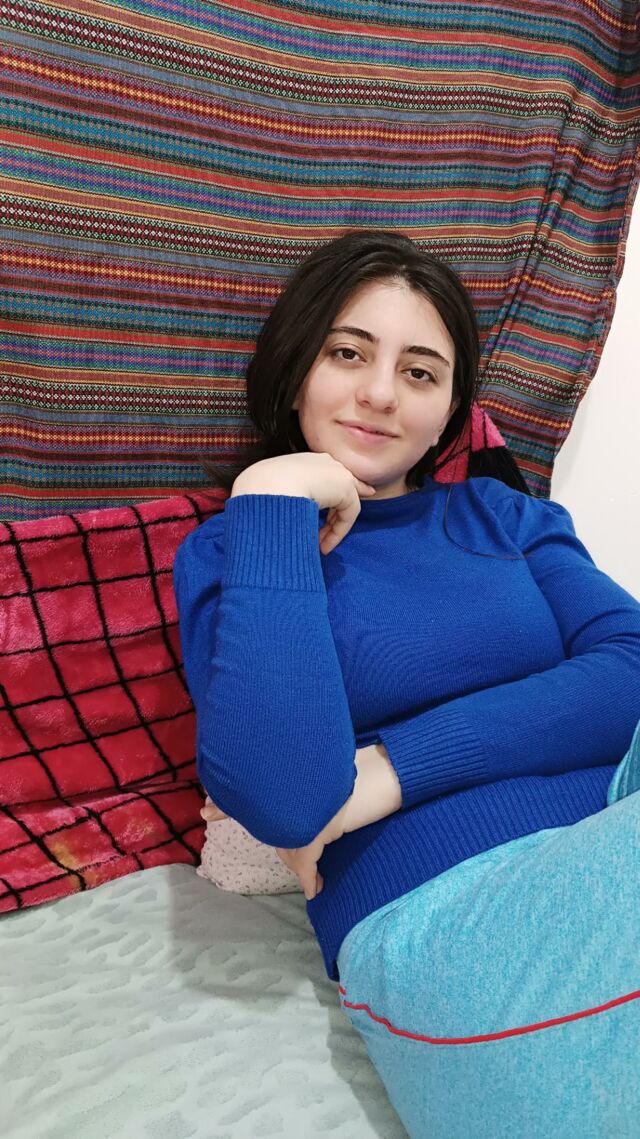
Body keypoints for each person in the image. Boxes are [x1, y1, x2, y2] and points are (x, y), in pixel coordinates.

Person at [173, 230, 640, 1138]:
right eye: (348, 354)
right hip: (448, 912)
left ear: (449, 410)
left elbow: (629, 669)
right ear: (295, 369)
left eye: (421, 373)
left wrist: (388, 771)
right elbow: (287, 797)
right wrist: (272, 496)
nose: (382, 394)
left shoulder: (502, 514)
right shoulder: (239, 547)